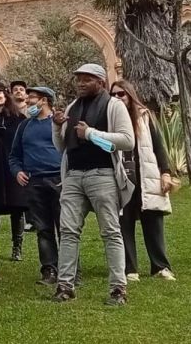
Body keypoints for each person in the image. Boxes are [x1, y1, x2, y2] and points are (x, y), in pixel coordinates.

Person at [51, 63, 134, 306]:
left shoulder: (114, 106)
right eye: (78, 79)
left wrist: (91, 134)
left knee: (110, 231)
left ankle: (118, 288)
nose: (80, 83)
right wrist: (57, 126)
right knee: (68, 231)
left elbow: (127, 141)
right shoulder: (72, 108)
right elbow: (61, 147)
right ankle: (65, 285)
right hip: (74, 176)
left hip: (103, 174)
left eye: (87, 79)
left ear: (101, 82)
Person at [110, 79, 176, 281]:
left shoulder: (146, 118)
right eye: (113, 95)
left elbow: (159, 148)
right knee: (124, 223)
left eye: (121, 94)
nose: (117, 98)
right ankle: (130, 269)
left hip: (146, 177)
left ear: (130, 95)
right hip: (122, 178)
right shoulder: (109, 120)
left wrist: (165, 172)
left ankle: (160, 267)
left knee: (153, 222)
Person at [9, 86, 62, 285]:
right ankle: (49, 270)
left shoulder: (57, 123)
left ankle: (70, 271)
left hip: (59, 180)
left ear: (44, 100)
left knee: (65, 228)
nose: (28, 101)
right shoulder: (24, 126)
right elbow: (14, 156)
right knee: (43, 228)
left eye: (32, 98)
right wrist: (17, 171)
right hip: (35, 183)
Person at [0, 82, 28, 261]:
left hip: (12, 168)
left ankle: (17, 247)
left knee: (16, 208)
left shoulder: (18, 118)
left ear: (5, 95)